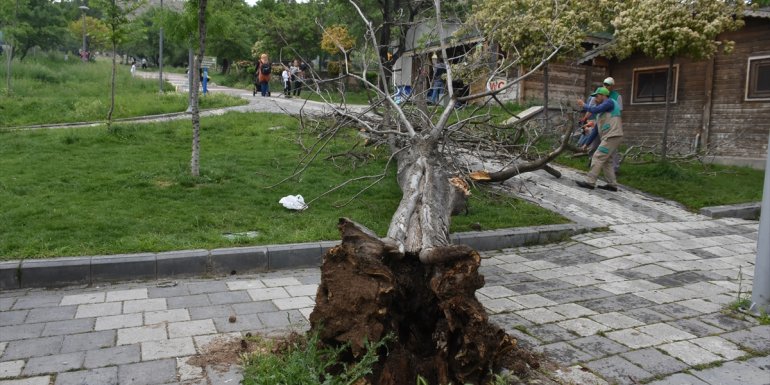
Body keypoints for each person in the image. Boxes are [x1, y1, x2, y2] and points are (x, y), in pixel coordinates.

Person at [575, 86, 623, 192]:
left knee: (597, 157)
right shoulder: (600, 113)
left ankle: (590, 182)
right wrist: (586, 144)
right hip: (611, 136)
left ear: (603, 96)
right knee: (607, 161)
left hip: (612, 136)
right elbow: (596, 131)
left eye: (596, 96)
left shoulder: (610, 102)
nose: (595, 99)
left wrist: (584, 105)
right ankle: (612, 184)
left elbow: (595, 109)